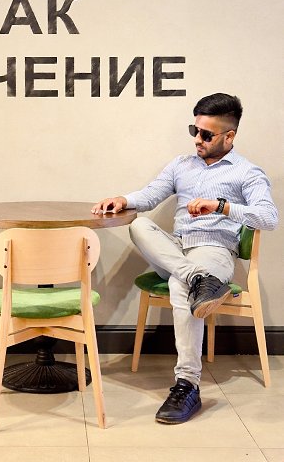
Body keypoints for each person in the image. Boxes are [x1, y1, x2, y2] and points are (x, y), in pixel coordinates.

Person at [92, 93, 278, 424]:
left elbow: (269, 218)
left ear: (229, 136)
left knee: (180, 286)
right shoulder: (182, 164)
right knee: (139, 226)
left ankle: (187, 385)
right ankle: (199, 279)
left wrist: (220, 206)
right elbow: (150, 196)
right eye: (195, 130)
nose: (197, 139)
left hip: (214, 249)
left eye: (206, 134)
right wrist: (123, 199)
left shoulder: (247, 173)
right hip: (176, 248)